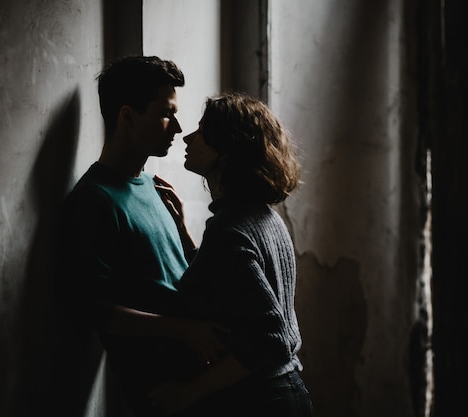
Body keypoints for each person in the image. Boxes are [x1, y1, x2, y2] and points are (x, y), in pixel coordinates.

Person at [56, 56, 225, 417]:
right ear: (128, 117)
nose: (177, 128)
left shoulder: (153, 186)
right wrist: (184, 331)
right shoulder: (94, 200)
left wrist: (182, 230)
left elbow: (179, 274)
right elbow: (90, 308)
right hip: (163, 390)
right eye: (166, 114)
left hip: (200, 378)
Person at [151, 92, 314, 417]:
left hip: (260, 401)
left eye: (202, 131)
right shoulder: (263, 217)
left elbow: (270, 339)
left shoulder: (230, 230)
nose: (188, 136)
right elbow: (231, 287)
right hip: (286, 392)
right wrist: (184, 233)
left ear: (226, 151)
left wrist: (186, 394)